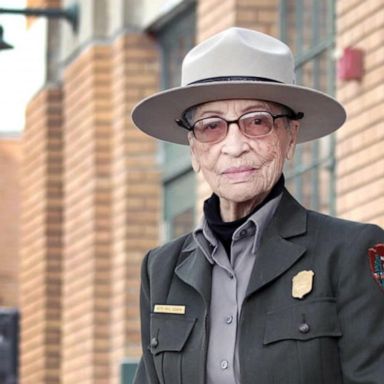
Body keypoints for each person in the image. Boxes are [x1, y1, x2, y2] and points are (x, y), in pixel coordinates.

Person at [131, 27, 384, 384]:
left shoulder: (348, 251)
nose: (234, 146)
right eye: (211, 126)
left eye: (257, 122)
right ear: (194, 149)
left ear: (290, 138)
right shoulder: (161, 269)